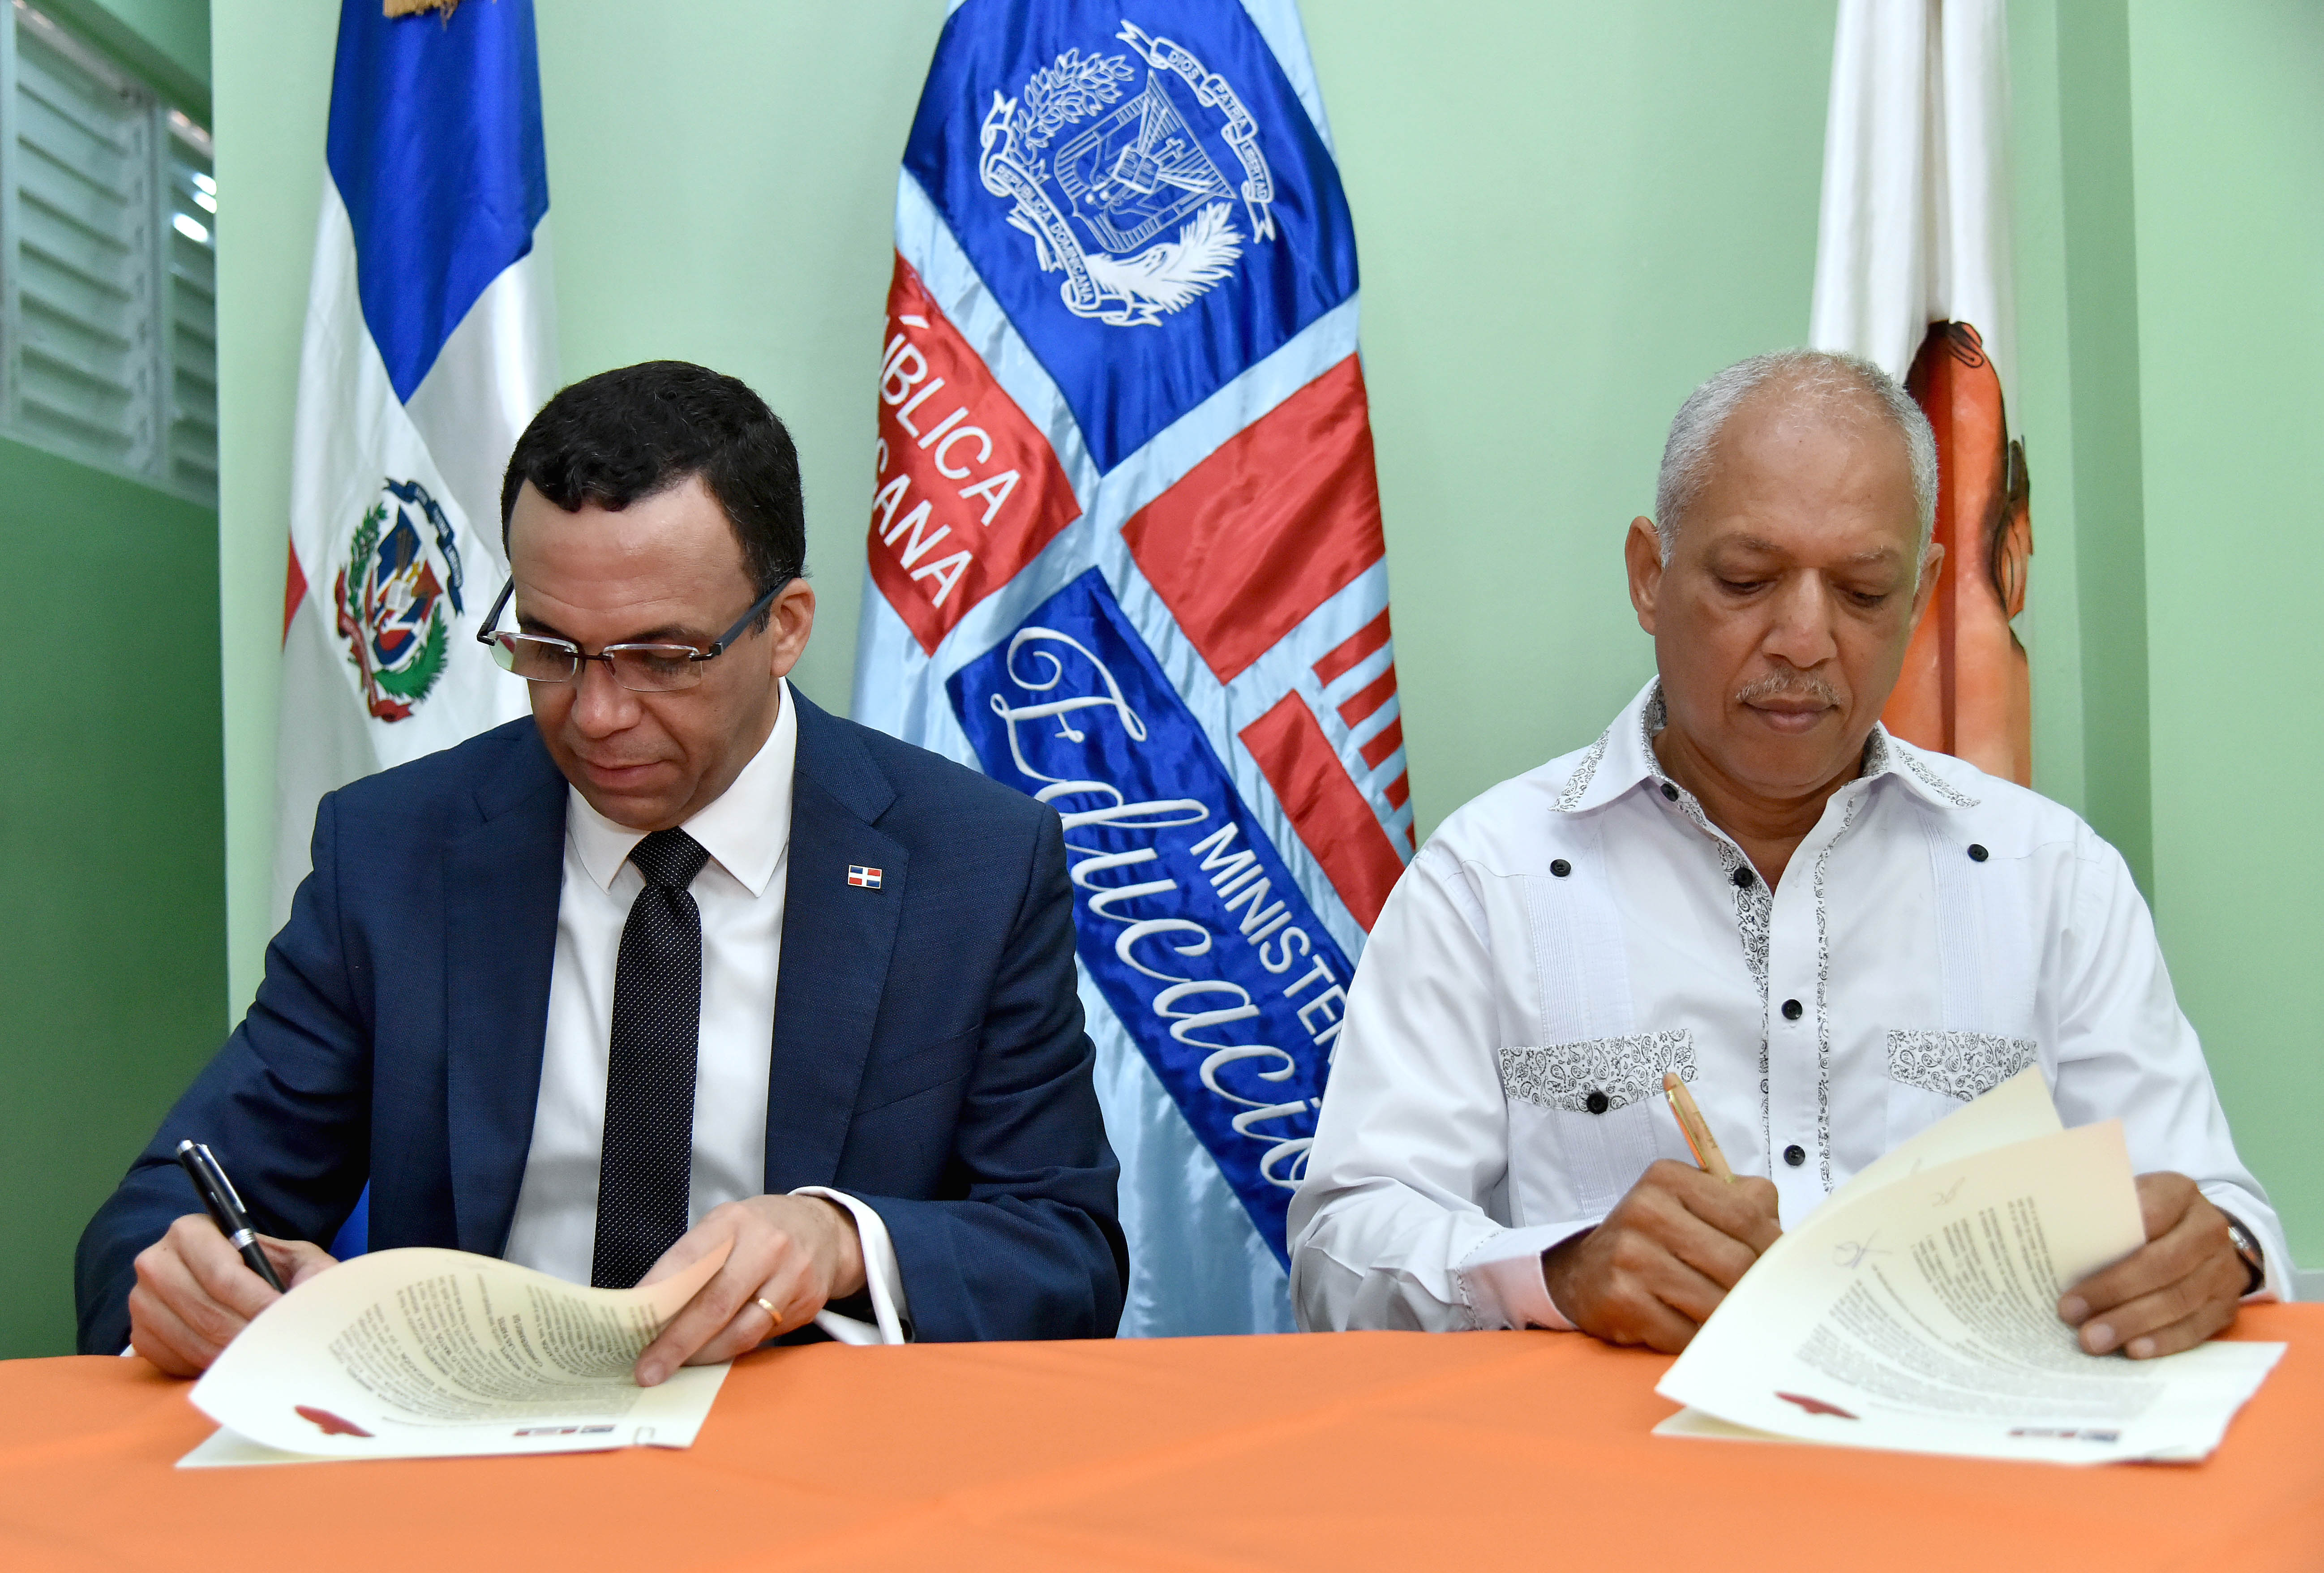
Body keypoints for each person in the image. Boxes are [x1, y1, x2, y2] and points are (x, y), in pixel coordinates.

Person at [79, 361, 1126, 1375]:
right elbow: (158, 1213)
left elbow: (1066, 1256)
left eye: (662, 657)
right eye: (549, 647)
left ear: (784, 628)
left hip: (818, 1475)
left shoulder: (972, 865)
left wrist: (842, 1241)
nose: (596, 715)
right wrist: (186, 1288)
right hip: (478, 1478)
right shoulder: (398, 849)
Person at [1289, 349, 2286, 1357]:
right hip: (1616, 1486)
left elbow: (2214, 1202)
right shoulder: (1490, 881)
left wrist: (2216, 1249)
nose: (1805, 640)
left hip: (1974, 1481)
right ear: (1649, 574)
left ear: (1923, 590)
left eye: (1861, 591)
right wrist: (1562, 1271)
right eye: (1748, 579)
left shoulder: (2050, 875)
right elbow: (1340, 1252)